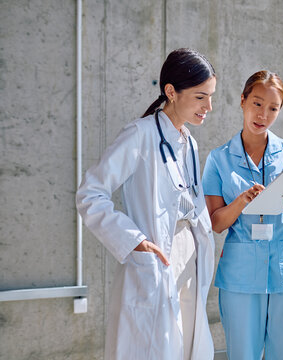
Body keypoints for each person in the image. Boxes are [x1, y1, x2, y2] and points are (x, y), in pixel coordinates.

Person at [76, 48, 216, 360]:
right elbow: (90, 194)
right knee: (157, 347)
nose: (209, 106)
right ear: (172, 92)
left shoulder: (188, 141)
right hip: (157, 256)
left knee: (186, 344)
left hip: (190, 258)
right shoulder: (139, 135)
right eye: (200, 97)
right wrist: (136, 241)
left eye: (210, 96)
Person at [202, 70, 283, 360]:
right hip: (240, 278)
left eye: (272, 108)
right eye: (256, 103)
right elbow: (216, 223)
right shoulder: (218, 159)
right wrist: (241, 202)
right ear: (242, 101)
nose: (263, 114)